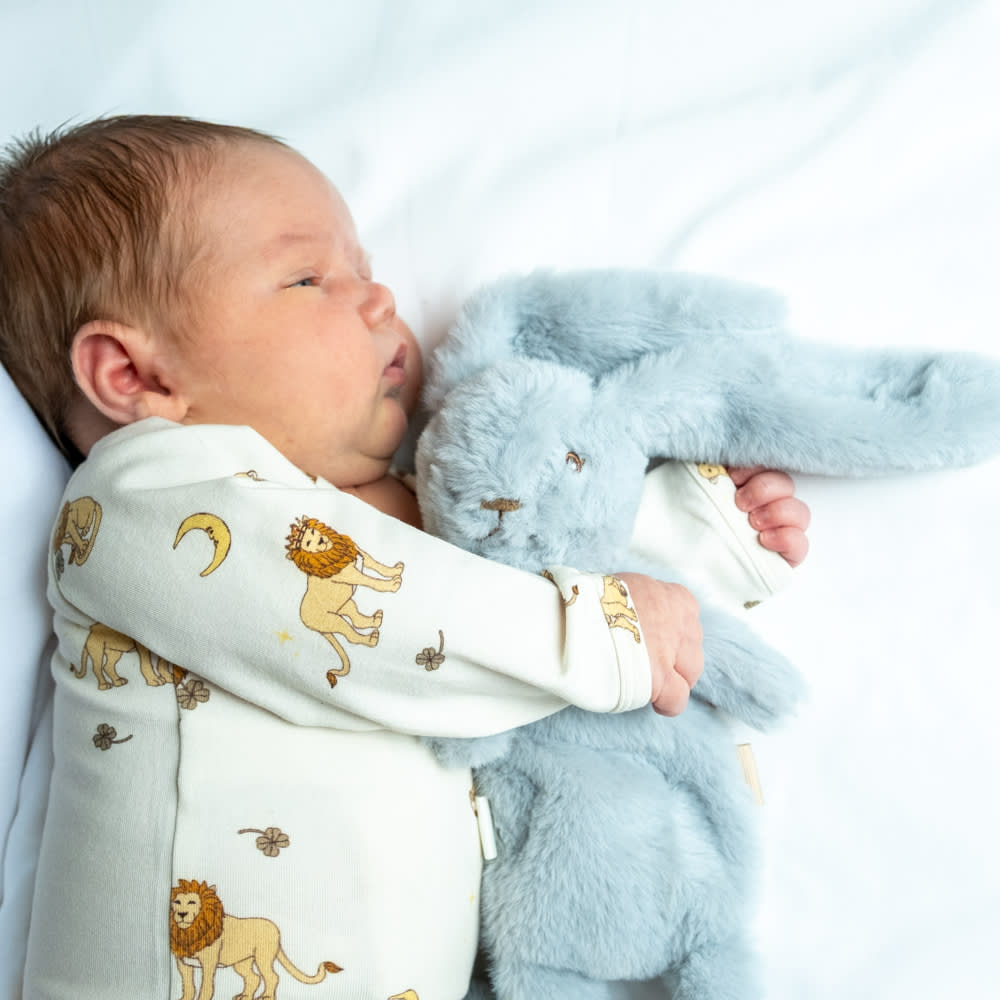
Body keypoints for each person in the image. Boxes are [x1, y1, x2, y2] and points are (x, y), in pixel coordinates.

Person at [0, 115, 810, 999]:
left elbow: (531, 558)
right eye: (308, 277)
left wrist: (704, 526)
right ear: (135, 377)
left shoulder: (393, 520)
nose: (379, 300)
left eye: (368, 268)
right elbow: (404, 621)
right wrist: (609, 632)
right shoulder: (143, 497)